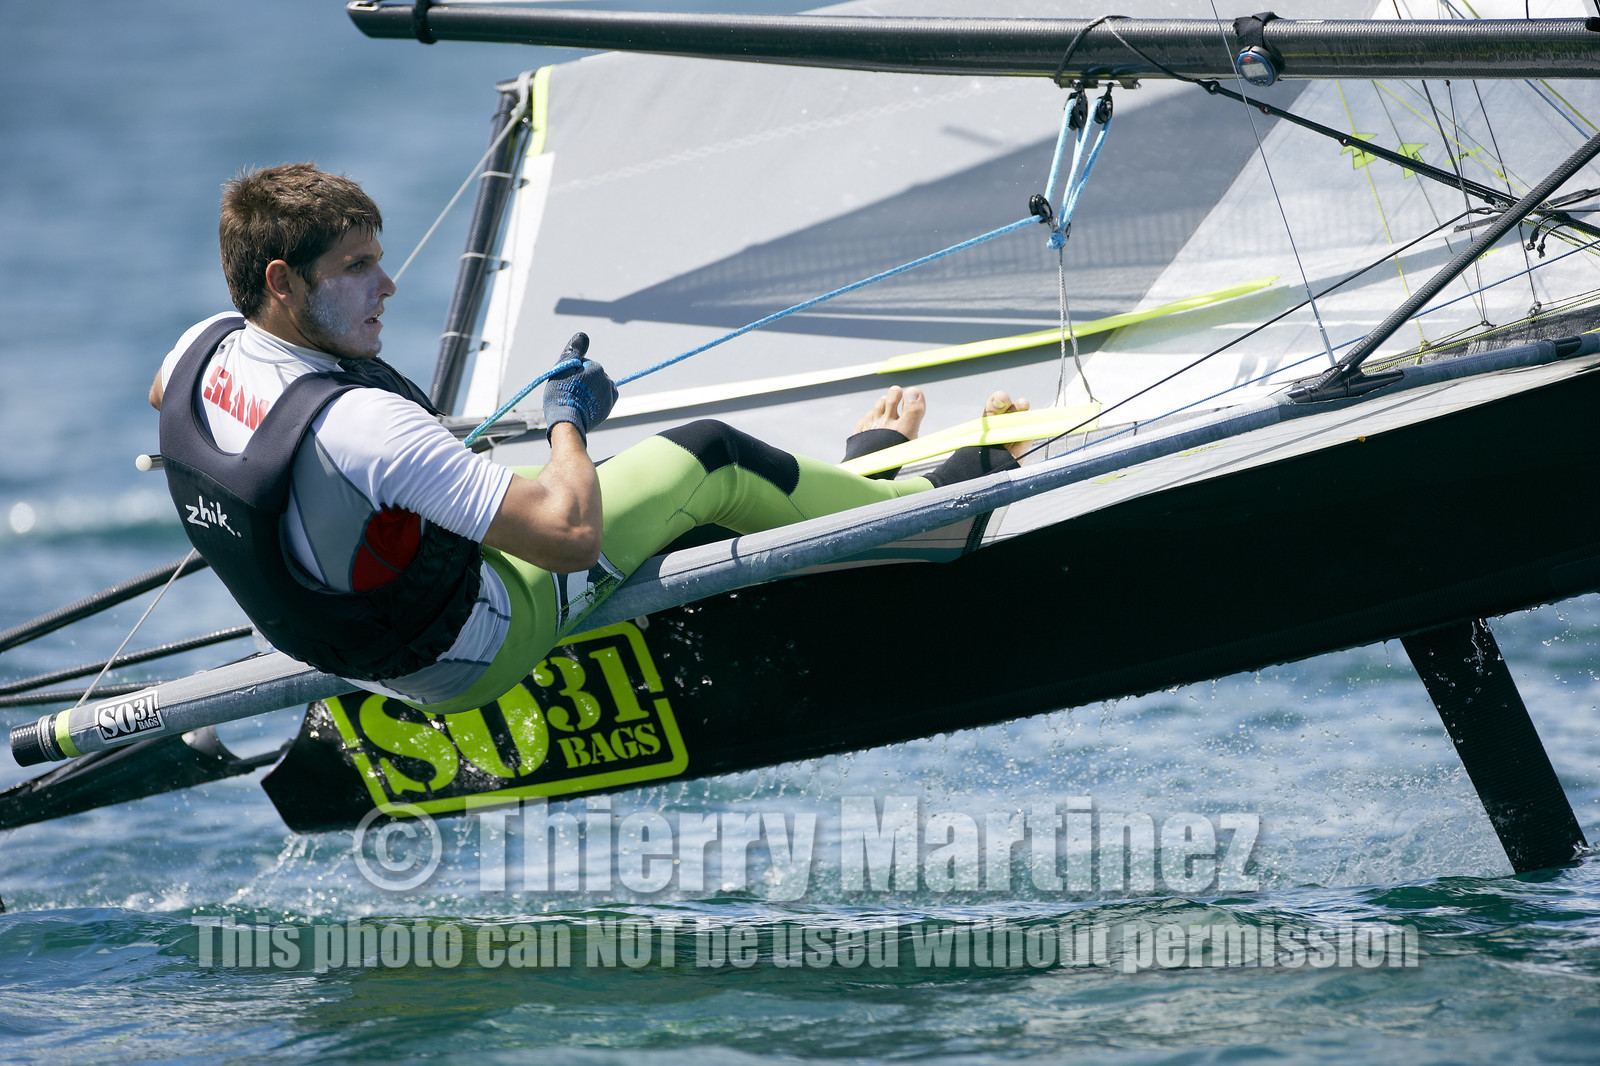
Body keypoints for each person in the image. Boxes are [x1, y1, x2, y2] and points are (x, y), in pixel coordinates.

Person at [152, 163, 1027, 715]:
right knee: (707, 454)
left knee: (597, 482)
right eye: (355, 269)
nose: (388, 284)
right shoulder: (367, 429)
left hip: (360, 652)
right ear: (281, 283)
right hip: (471, 655)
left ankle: (844, 489)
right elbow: (572, 541)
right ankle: (923, 509)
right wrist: (565, 416)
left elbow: (178, 407)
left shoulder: (198, 352)